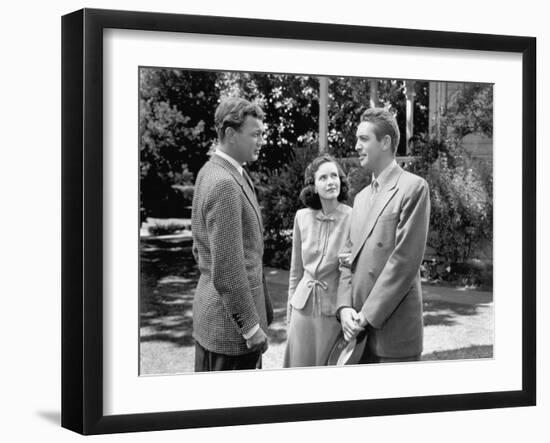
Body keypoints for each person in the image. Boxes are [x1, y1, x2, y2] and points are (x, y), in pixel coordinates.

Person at [337, 107, 430, 364]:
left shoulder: (413, 187)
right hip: (356, 334)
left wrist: (365, 315)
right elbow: (347, 259)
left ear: (386, 142)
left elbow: (404, 262)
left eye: (364, 139)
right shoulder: (361, 197)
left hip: (394, 335)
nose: (356, 146)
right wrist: (344, 308)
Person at [191, 97, 273, 371]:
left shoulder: (214, 172)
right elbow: (227, 268)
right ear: (229, 134)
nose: (261, 140)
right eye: (255, 134)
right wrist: (250, 327)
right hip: (231, 334)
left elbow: (201, 250)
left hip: (219, 322)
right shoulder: (224, 182)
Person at [284, 154, 352, 368]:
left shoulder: (353, 217)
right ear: (313, 185)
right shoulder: (301, 217)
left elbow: (352, 273)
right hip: (301, 312)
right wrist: (289, 316)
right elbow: (296, 271)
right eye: (323, 177)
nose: (331, 181)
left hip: (333, 312)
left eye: (335, 176)